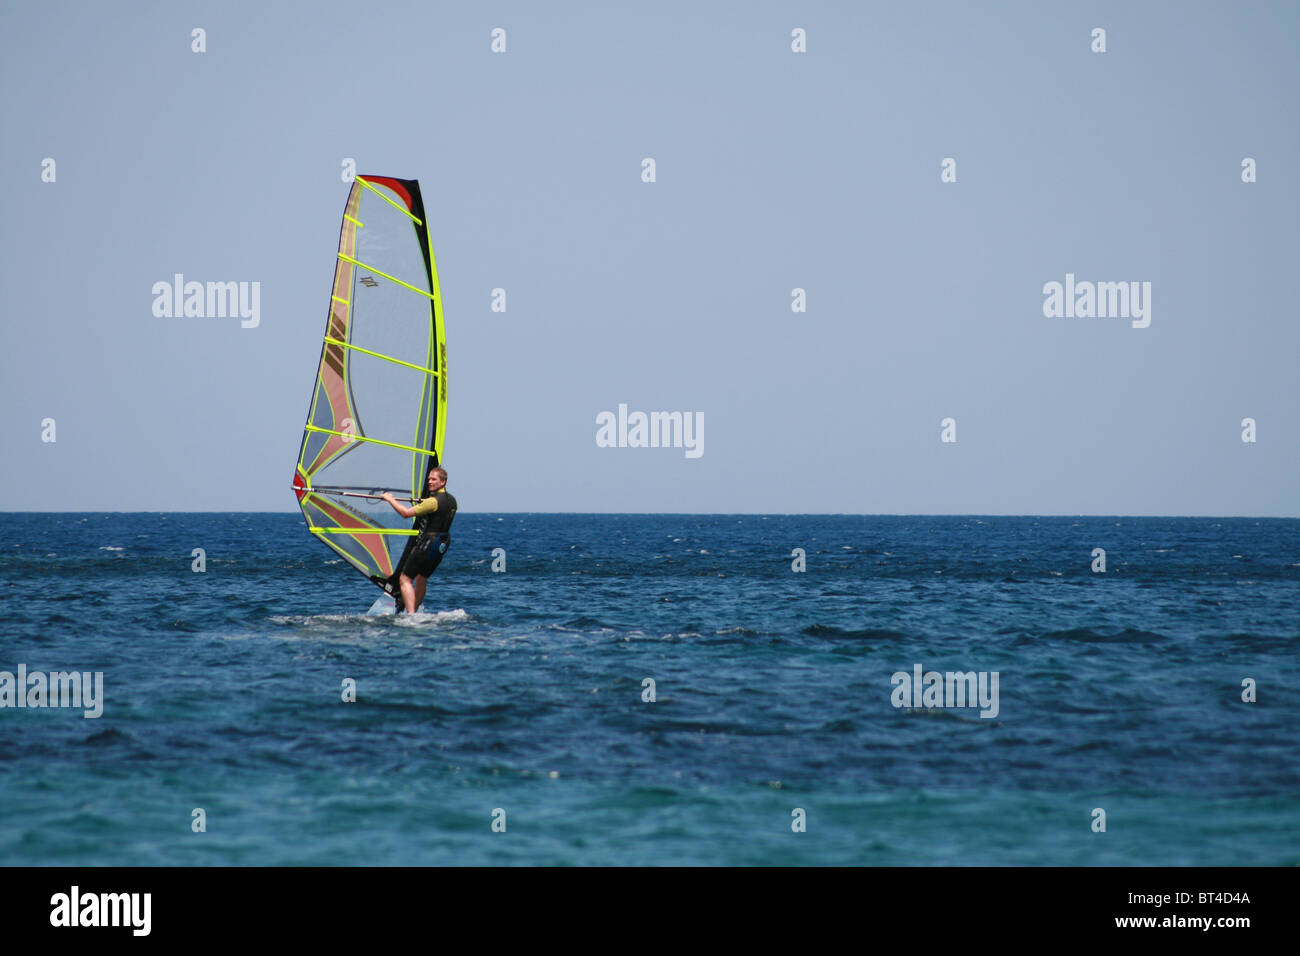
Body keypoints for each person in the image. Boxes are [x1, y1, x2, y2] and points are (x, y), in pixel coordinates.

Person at [381, 466, 457, 614]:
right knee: (422, 578)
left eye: (434, 479)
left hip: (428, 542)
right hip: (442, 544)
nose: (429, 481)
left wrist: (390, 499)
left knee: (405, 579)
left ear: (443, 482)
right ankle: (414, 610)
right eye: (429, 479)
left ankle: (411, 615)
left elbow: (406, 513)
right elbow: (439, 512)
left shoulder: (432, 502)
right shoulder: (452, 501)